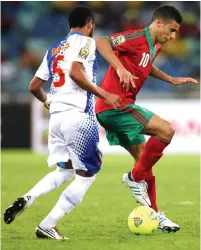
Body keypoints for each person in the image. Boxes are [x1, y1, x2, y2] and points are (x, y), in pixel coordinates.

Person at [4, 6, 121, 240]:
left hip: (56, 117)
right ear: (90, 24)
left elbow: (34, 86)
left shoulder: (54, 48)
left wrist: (49, 102)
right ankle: (48, 224)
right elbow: (77, 73)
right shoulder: (87, 42)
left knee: (65, 169)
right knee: (88, 174)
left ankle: (28, 197)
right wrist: (104, 95)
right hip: (77, 117)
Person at [95, 5, 199, 233]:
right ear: (159, 22)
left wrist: (170, 79)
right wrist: (120, 68)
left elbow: (145, 65)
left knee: (144, 161)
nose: (173, 37)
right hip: (117, 106)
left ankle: (155, 214)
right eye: (171, 30)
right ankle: (133, 177)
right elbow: (101, 41)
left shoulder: (155, 46)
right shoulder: (135, 36)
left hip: (113, 110)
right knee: (166, 131)